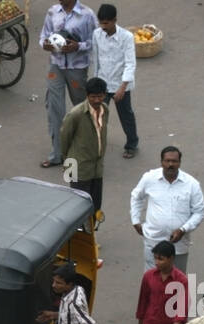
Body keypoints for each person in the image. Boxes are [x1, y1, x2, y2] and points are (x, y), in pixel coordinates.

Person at [38, 1, 98, 169]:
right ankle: (57, 154)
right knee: (54, 108)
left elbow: (95, 41)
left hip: (77, 68)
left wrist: (78, 46)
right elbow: (43, 36)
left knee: (81, 109)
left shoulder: (86, 15)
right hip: (56, 66)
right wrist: (45, 44)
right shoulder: (52, 12)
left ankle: (86, 149)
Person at [130, 146, 204, 273]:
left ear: (179, 163)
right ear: (161, 162)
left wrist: (183, 229)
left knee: (176, 284)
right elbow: (136, 197)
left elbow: (199, 211)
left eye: (174, 161)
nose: (170, 164)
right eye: (167, 161)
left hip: (179, 246)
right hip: (153, 240)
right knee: (152, 281)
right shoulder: (149, 178)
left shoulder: (192, 184)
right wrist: (135, 220)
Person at [92, 4, 139, 159]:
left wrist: (122, 87)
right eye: (101, 23)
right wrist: (95, 81)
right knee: (98, 117)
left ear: (114, 21)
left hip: (120, 85)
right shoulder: (97, 35)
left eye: (106, 23)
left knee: (126, 116)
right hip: (103, 84)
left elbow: (130, 63)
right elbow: (96, 59)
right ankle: (97, 145)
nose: (103, 26)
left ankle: (132, 144)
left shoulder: (126, 37)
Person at [59, 76, 108, 214]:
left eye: (100, 96)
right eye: (93, 97)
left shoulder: (105, 110)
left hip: (97, 167)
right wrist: (67, 163)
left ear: (104, 95)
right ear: (87, 96)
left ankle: (91, 233)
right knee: (78, 208)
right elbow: (64, 139)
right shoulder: (75, 114)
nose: (97, 100)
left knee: (95, 206)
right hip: (77, 167)